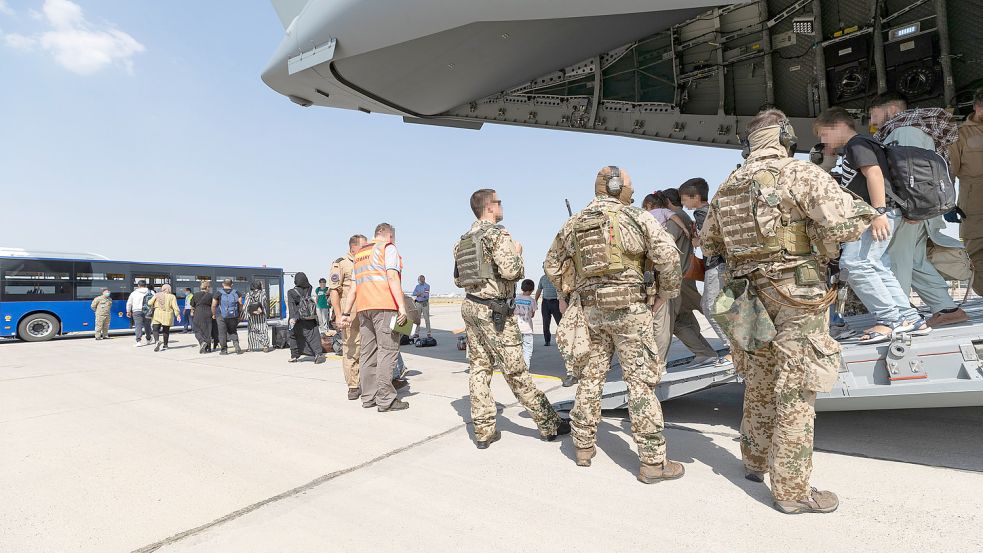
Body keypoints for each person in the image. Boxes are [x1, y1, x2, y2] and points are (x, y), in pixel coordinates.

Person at [701, 108, 874, 514]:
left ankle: (754, 460)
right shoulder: (801, 174)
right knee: (796, 388)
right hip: (797, 292)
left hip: (746, 295)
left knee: (759, 378)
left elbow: (709, 242)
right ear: (784, 137)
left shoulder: (728, 185)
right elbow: (843, 223)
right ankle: (793, 491)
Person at [545, 166, 683, 482]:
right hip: (630, 309)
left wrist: (572, 290)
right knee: (640, 383)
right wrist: (664, 293)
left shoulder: (574, 223)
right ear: (616, 186)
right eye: (630, 186)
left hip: (591, 310)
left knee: (591, 378)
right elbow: (668, 258)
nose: (633, 191)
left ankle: (582, 446)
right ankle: (652, 463)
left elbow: (551, 265)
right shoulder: (637, 216)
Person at [454, 190, 568, 448]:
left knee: (479, 367)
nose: (502, 205)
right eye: (499, 201)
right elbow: (512, 271)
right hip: (495, 312)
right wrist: (517, 252)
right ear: (489, 207)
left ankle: (483, 431)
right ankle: (548, 424)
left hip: (472, 306)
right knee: (516, 370)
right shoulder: (497, 235)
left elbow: (458, 280)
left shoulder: (462, 241)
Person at [814, 106, 928, 342]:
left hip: (874, 214)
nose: (823, 141)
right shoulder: (862, 144)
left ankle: (891, 320)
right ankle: (910, 319)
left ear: (837, 126)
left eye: (824, 134)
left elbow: (874, 175)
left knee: (855, 263)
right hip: (882, 213)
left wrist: (878, 212)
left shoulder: (857, 144)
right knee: (877, 266)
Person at [870, 92, 967, 327]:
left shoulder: (902, 130)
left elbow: (909, 173)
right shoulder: (916, 128)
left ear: (892, 109)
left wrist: (912, 208)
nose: (872, 122)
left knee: (897, 259)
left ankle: (899, 316)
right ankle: (946, 308)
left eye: (873, 114)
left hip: (911, 208)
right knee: (915, 261)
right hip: (920, 206)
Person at [340, 223, 410, 412]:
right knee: (387, 351)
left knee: (367, 352)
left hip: (364, 308)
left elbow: (354, 287)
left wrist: (346, 313)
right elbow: (392, 277)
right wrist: (402, 307)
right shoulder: (388, 248)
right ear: (389, 235)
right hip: (385, 306)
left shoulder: (361, 254)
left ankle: (368, 397)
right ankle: (386, 398)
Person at [654, 188, 719, 365]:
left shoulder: (674, 220)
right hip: (684, 276)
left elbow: (663, 247)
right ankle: (704, 353)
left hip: (677, 278)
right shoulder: (683, 217)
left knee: (672, 320)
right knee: (684, 319)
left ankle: (660, 364)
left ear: (667, 202)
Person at [679, 177, 732, 361]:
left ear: (695, 196)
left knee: (709, 307)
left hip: (715, 265)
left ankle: (733, 349)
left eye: (685, 200)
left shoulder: (701, 214)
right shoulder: (712, 211)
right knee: (721, 307)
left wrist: (695, 240)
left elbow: (707, 240)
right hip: (724, 264)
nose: (684, 205)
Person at [952, 88, 983, 294]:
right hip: (974, 205)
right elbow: (949, 170)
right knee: (976, 253)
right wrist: (947, 202)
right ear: (975, 107)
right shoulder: (960, 134)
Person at [330, 234, 368, 400]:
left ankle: (367, 382)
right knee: (351, 347)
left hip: (367, 309)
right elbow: (334, 290)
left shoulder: (367, 262)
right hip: (350, 311)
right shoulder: (341, 263)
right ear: (354, 247)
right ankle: (353, 385)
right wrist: (339, 315)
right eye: (364, 246)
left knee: (367, 347)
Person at [287, 272, 325, 363]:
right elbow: (308, 287)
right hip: (309, 316)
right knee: (313, 336)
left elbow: (291, 306)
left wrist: (293, 318)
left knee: (293, 336)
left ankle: (294, 356)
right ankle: (318, 354)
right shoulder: (309, 288)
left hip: (297, 317)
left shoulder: (291, 292)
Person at [211, 278, 243, 355]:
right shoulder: (237, 292)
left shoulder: (218, 293)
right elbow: (240, 304)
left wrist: (214, 314)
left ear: (223, 284)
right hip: (234, 315)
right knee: (233, 331)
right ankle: (237, 347)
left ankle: (224, 350)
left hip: (221, 316)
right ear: (232, 284)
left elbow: (213, 305)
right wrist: (239, 314)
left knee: (222, 333)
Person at [150, 284, 181, 352]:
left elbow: (149, 303)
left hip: (157, 314)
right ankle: (165, 345)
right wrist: (177, 315)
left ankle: (157, 341)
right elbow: (175, 306)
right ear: (169, 289)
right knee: (166, 330)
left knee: (155, 329)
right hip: (167, 314)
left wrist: (155, 299)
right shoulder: (172, 296)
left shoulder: (157, 295)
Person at [514, 279, 537, 368]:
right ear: (532, 290)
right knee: (527, 350)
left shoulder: (516, 299)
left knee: (517, 349)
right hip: (527, 329)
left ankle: (517, 366)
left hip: (516, 328)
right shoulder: (532, 301)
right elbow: (533, 314)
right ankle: (526, 367)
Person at [534, 272, 561, 347]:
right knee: (545, 322)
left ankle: (562, 340)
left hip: (556, 301)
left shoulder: (558, 277)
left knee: (560, 323)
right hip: (545, 302)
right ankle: (547, 340)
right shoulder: (543, 278)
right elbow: (539, 290)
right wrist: (535, 300)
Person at [245, 281, 271, 353]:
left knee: (252, 331)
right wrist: (262, 311)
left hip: (252, 316)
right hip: (261, 316)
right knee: (263, 330)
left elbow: (246, 305)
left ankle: (251, 347)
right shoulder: (262, 294)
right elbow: (264, 304)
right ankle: (265, 346)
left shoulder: (248, 294)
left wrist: (246, 314)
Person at [126, 280, 154, 346]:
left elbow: (129, 303)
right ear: (146, 285)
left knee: (138, 326)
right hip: (147, 310)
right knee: (147, 325)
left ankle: (138, 341)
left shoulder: (134, 293)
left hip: (137, 311)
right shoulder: (151, 292)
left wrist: (128, 311)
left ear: (138, 285)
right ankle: (148, 339)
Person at [192, 280, 215, 353]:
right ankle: (208, 348)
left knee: (196, 329)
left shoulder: (195, 294)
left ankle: (202, 342)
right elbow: (214, 305)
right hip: (208, 313)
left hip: (198, 313)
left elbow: (192, 304)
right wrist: (214, 314)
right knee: (207, 330)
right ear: (207, 287)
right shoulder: (211, 295)